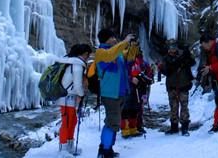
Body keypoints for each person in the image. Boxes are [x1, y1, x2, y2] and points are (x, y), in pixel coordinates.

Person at [95, 29, 134, 158]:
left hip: (120, 92)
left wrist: (133, 47)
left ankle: (107, 148)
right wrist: (124, 42)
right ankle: (105, 151)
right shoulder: (101, 52)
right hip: (110, 94)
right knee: (112, 122)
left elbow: (128, 61)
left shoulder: (117, 53)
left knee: (113, 122)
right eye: (112, 37)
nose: (115, 39)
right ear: (106, 39)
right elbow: (110, 55)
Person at [57, 43, 92, 155]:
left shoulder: (71, 63)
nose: (88, 58)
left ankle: (69, 146)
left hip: (68, 97)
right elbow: (77, 85)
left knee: (72, 121)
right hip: (67, 98)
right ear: (85, 54)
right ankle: (63, 150)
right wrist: (81, 95)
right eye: (88, 55)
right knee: (67, 122)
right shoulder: (77, 66)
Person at [162, 39, 196, 136]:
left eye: (174, 47)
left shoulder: (184, 56)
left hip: (183, 85)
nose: (172, 49)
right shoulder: (166, 58)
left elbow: (192, 62)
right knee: (173, 107)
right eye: (170, 47)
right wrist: (179, 61)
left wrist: (187, 54)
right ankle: (174, 127)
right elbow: (166, 70)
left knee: (184, 107)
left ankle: (185, 127)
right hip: (172, 86)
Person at [121, 41, 150, 138]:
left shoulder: (140, 60)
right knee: (125, 108)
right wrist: (130, 78)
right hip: (127, 87)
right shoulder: (123, 58)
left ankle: (134, 128)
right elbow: (122, 72)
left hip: (138, 87)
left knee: (135, 108)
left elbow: (146, 70)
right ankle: (125, 129)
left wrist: (145, 78)